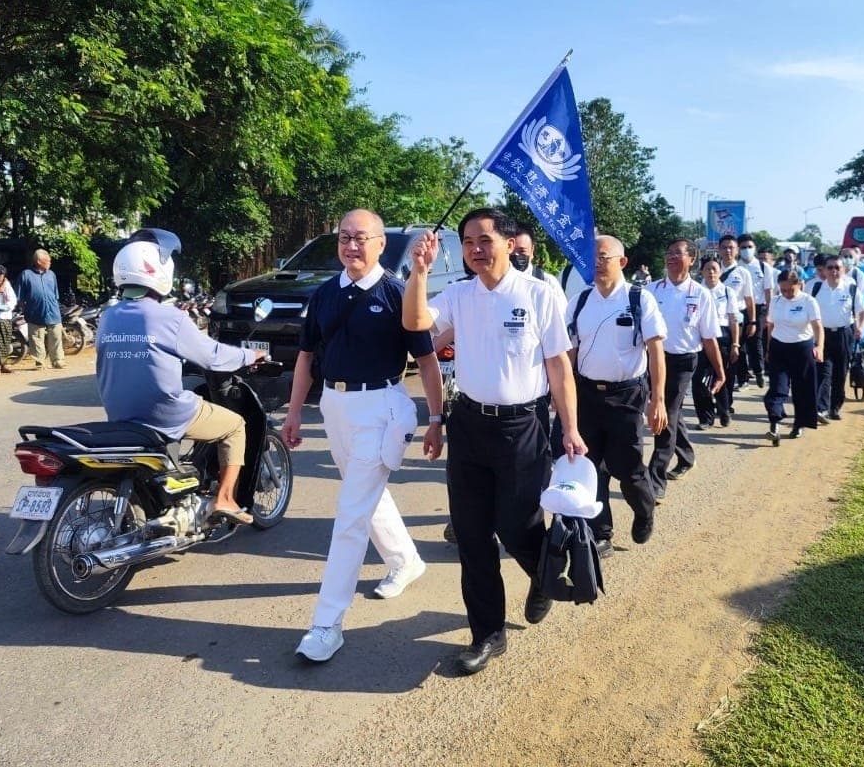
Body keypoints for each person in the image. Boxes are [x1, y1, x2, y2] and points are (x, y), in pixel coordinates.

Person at [403, 207, 586, 676]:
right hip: (469, 425)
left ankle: (543, 574)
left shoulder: (539, 295)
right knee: (471, 533)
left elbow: (559, 367)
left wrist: (570, 427)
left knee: (517, 524)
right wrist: (420, 271)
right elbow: (416, 323)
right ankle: (487, 633)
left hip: (522, 428)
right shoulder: (459, 294)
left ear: (508, 243)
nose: (475, 250)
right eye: (467, 242)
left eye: (484, 240)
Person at [280, 210, 445, 665]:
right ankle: (405, 560)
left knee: (350, 514)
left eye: (360, 238)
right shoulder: (323, 295)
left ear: (378, 244)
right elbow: (306, 358)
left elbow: (427, 362)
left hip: (382, 409)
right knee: (366, 496)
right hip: (334, 406)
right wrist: (295, 412)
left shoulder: (397, 294)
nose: (351, 246)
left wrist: (436, 417)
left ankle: (326, 623)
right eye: (344, 238)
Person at [96, 228, 266, 523]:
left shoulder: (108, 316)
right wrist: (250, 355)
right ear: (160, 271)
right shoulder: (169, 317)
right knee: (236, 426)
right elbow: (212, 356)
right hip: (165, 413)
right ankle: (224, 498)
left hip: (121, 413)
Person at [567, 235, 666, 557]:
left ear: (622, 262)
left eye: (603, 257)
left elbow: (655, 351)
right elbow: (570, 350)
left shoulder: (639, 299)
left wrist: (658, 399)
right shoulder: (581, 301)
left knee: (628, 468)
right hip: (586, 396)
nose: (595, 262)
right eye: (591, 257)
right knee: (589, 468)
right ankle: (602, 533)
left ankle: (644, 509)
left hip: (627, 397)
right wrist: (562, 393)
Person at [647, 239, 723, 501]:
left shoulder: (701, 294)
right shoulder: (650, 290)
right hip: (653, 360)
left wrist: (720, 371)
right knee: (673, 412)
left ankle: (656, 479)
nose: (671, 258)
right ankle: (687, 456)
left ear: (692, 259)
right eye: (668, 253)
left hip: (683, 362)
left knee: (665, 415)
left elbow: (710, 337)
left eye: (678, 254)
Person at [763, 270, 824, 446]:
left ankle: (799, 424)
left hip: (802, 348)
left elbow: (817, 326)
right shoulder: (776, 301)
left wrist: (819, 347)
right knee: (777, 388)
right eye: (783, 290)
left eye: (791, 290)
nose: (787, 294)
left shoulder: (808, 301)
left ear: (799, 285)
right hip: (779, 347)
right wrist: (768, 348)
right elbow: (771, 325)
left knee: (802, 389)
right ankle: (774, 424)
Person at [811, 255, 864, 422]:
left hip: (844, 335)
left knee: (840, 373)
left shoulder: (851, 289)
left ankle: (835, 407)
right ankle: (821, 408)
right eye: (830, 268)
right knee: (823, 372)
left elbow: (863, 311)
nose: (834, 271)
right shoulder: (815, 289)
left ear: (843, 270)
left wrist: (861, 327)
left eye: (837, 268)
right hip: (822, 335)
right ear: (825, 270)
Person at [695, 256, 740, 428]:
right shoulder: (697, 291)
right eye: (707, 269)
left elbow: (733, 320)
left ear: (720, 272)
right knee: (699, 379)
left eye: (714, 269)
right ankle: (705, 418)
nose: (711, 272)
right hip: (700, 339)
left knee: (722, 376)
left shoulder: (728, 292)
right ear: (702, 272)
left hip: (723, 337)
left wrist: (735, 344)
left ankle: (724, 410)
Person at [716, 235, 756, 390]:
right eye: (724, 247)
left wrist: (752, 321)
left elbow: (749, 299)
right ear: (719, 249)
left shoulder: (743, 273)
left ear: (737, 250)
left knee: (736, 350)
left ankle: (737, 380)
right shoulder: (712, 270)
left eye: (731, 247)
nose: (727, 250)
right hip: (717, 319)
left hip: (737, 317)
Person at [737, 233, 775, 389]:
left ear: (755, 248)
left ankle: (759, 371)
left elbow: (768, 291)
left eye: (749, 247)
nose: (746, 250)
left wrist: (769, 313)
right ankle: (742, 377)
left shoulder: (763, 267)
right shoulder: (735, 266)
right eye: (743, 247)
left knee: (755, 341)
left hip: (758, 308)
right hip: (739, 308)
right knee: (738, 344)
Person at [17, 248, 65, 369]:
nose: (50, 263)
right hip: (34, 312)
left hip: (53, 311)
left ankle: (58, 360)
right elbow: (20, 297)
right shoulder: (26, 275)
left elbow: (55, 294)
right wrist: (25, 310)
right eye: (47, 261)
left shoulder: (51, 274)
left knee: (56, 337)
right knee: (36, 339)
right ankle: (40, 362)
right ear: (39, 261)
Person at [511, 225, 566, 302]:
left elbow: (562, 313)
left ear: (532, 250)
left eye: (522, 251)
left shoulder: (547, 282)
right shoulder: (493, 282)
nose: (516, 255)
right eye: (511, 250)